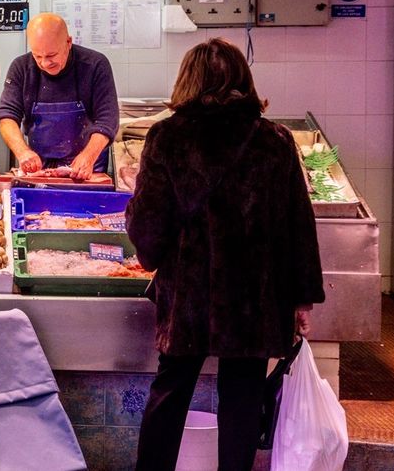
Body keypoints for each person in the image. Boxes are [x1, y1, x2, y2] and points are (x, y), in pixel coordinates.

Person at [126, 39, 324, 471]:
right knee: (243, 394)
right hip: (254, 299)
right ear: (242, 79)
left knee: (171, 388)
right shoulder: (274, 139)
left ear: (188, 80)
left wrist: (150, 255)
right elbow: (298, 225)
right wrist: (302, 296)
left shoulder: (167, 137)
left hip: (188, 296)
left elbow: (148, 223)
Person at [0, 12, 119, 180]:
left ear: (68, 42)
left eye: (51, 55)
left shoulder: (95, 65)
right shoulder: (21, 67)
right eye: (38, 56)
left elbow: (107, 119)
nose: (45, 63)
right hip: (39, 168)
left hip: (87, 167)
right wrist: (23, 152)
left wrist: (88, 156)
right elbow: (6, 116)